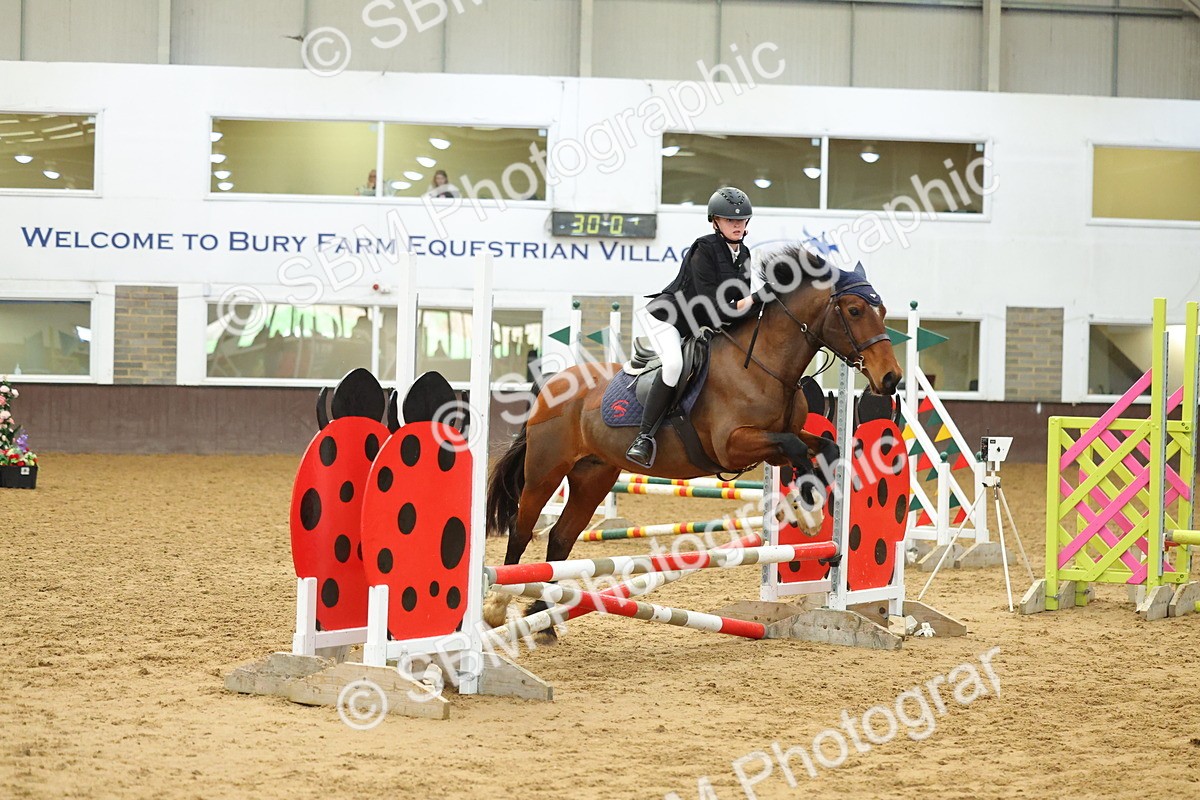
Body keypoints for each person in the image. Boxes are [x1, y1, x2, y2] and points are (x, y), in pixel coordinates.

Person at [626, 186, 755, 467]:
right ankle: (644, 438)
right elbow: (713, 305)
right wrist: (755, 301)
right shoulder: (704, 249)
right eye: (730, 220)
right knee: (672, 365)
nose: (737, 224)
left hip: (700, 324)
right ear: (715, 222)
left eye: (742, 220)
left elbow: (742, 303)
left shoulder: (744, 255)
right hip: (668, 318)